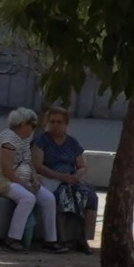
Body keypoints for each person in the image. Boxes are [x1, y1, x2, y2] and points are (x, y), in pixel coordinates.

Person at [0, 106, 56, 250]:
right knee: (27, 198)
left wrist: (35, 179)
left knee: (48, 198)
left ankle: (51, 239)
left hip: (22, 181)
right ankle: (13, 238)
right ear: (22, 125)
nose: (32, 129)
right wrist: (25, 186)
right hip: (2, 181)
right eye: (31, 126)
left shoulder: (24, 139)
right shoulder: (8, 139)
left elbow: (28, 161)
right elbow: (6, 169)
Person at [31, 103, 95, 250]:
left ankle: (83, 239)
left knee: (90, 196)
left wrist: (76, 176)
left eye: (59, 122)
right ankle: (62, 238)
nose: (55, 125)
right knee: (61, 196)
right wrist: (61, 176)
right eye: (52, 121)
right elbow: (38, 165)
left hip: (71, 179)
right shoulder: (42, 141)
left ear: (66, 124)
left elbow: (82, 166)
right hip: (52, 179)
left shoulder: (72, 142)